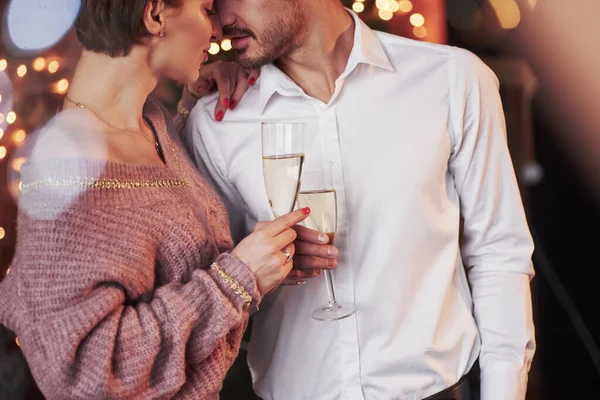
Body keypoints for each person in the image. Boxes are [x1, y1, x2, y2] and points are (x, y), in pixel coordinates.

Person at [179, 1, 536, 399]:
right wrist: (260, 268)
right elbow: (212, 285)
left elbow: (498, 253)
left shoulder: (452, 80)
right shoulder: (217, 119)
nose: (219, 19)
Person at [0, 0, 323, 399]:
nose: (219, 31)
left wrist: (265, 262)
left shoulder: (151, 123)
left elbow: (163, 243)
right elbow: (86, 375)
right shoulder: (68, 173)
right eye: (206, 9)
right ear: (155, 15)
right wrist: (239, 279)